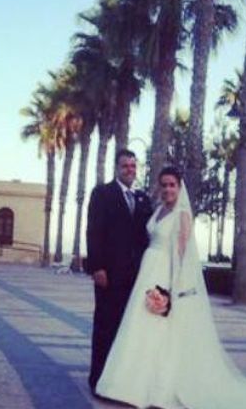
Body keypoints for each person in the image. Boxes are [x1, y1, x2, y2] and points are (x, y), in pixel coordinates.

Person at [96, 166, 246, 409]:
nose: (167, 189)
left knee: (159, 332)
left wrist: (171, 289)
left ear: (179, 187)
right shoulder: (157, 212)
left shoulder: (183, 215)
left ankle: (155, 390)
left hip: (163, 276)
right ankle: (127, 386)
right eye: (163, 185)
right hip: (146, 275)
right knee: (140, 328)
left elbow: (181, 254)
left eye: (172, 185)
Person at [85, 149, 153, 393]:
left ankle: (119, 379)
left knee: (127, 328)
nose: (130, 170)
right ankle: (98, 378)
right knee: (105, 325)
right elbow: (94, 231)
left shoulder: (143, 198)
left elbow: (146, 237)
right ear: (117, 168)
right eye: (125, 166)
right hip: (108, 275)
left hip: (135, 277)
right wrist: (97, 267)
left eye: (133, 166)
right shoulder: (102, 194)